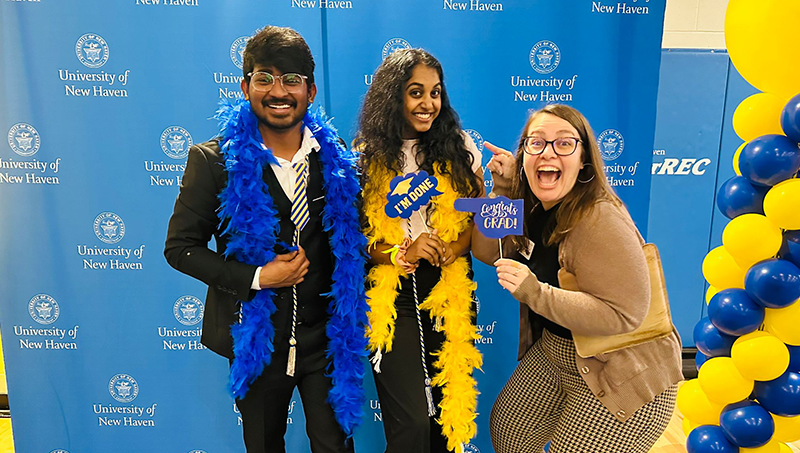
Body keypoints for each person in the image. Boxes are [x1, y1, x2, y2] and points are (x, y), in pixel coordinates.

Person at [164, 26, 367, 453]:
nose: (279, 91)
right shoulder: (213, 160)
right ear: (245, 87)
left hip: (327, 341)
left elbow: (356, 237)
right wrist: (257, 276)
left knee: (335, 447)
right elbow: (181, 248)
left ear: (310, 91)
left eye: (291, 79)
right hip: (254, 339)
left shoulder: (337, 158)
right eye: (265, 78)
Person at [473, 104, 682, 453]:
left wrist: (534, 292)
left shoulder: (599, 218)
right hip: (559, 351)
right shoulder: (534, 204)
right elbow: (487, 252)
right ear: (523, 155)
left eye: (564, 143)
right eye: (535, 143)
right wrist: (504, 190)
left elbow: (623, 314)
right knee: (510, 430)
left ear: (584, 159)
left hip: (622, 372)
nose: (548, 152)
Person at [357, 48, 483, 453]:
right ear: (393, 96)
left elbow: (474, 224)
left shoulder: (461, 149)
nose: (428, 104)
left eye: (435, 92)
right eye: (415, 92)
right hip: (392, 294)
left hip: (448, 289)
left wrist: (451, 246)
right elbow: (357, 241)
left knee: (448, 421)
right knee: (410, 423)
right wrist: (400, 253)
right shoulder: (366, 157)